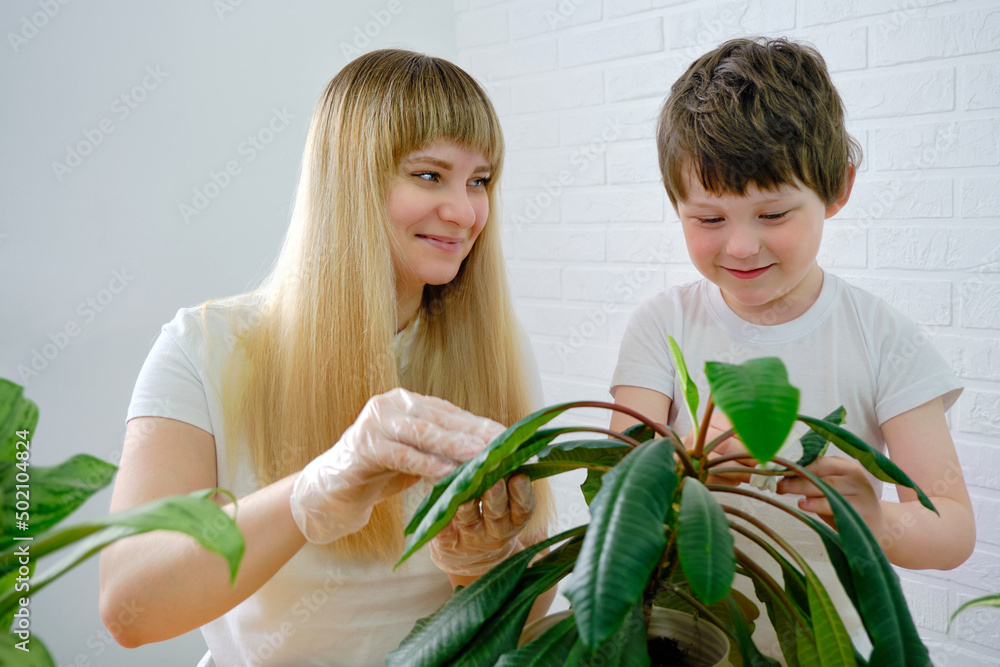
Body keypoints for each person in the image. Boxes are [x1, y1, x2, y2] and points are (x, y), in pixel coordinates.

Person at [99, 49, 553, 666]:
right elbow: (130, 608)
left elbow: (522, 629)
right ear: (350, 178)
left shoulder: (497, 350)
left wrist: (480, 570)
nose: (466, 212)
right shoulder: (202, 349)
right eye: (428, 176)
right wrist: (308, 496)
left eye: (480, 181)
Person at [609, 37, 975, 656]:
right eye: (709, 220)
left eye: (773, 215)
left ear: (838, 188)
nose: (743, 246)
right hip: (674, 643)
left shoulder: (882, 337)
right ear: (676, 205)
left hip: (822, 648)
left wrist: (877, 524)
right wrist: (685, 462)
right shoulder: (661, 324)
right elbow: (615, 488)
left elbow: (953, 529)